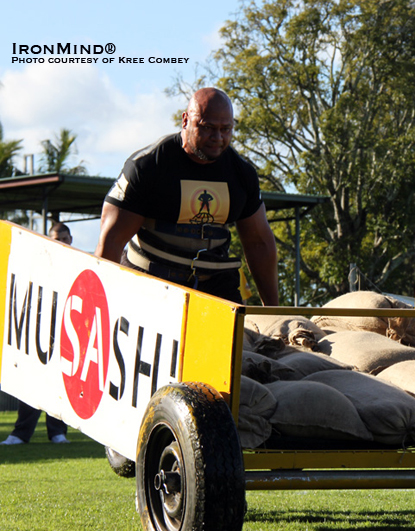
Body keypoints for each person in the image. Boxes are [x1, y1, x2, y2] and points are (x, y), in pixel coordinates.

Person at [95, 87, 279, 306]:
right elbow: (111, 241)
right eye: (208, 127)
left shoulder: (241, 174)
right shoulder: (148, 166)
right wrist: (102, 305)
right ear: (185, 120)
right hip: (149, 281)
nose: (217, 137)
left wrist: (273, 310)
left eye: (225, 129)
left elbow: (259, 244)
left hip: (215, 287)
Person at [1, 222, 72, 445]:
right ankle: (20, 434)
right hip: (40, 333)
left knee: (59, 385)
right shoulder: (39, 264)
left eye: (63, 239)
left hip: (65, 334)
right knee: (31, 382)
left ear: (70, 240)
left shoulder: (77, 265)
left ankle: (58, 433)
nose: (60, 242)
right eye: (55, 238)